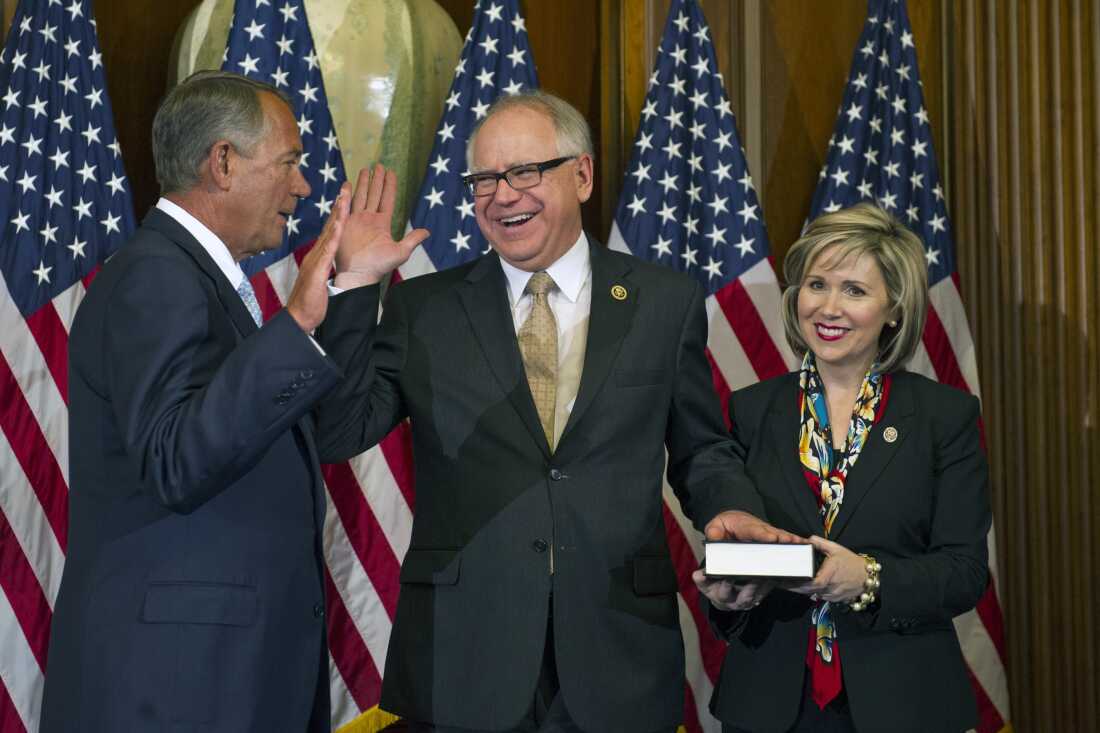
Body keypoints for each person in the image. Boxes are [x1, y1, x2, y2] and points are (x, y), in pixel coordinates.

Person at [314, 90, 794, 733]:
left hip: (615, 649)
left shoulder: (662, 302)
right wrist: (354, 287)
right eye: (483, 179)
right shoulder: (423, 309)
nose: (502, 195)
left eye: (525, 171)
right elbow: (341, 428)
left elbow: (702, 447)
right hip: (463, 654)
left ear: (583, 174)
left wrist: (727, 508)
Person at [39, 71, 421, 732]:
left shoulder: (200, 279)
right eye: (290, 163)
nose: (302, 186)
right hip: (177, 688)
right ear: (223, 162)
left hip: (223, 679)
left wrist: (354, 286)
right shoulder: (157, 275)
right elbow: (177, 458)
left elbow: (318, 433)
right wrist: (293, 328)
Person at [694, 203, 992, 733]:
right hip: (768, 702)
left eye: (854, 290)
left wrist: (867, 578)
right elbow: (744, 544)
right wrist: (728, 596)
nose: (829, 308)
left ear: (894, 309)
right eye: (817, 285)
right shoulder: (750, 409)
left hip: (902, 701)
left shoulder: (944, 416)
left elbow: (965, 572)